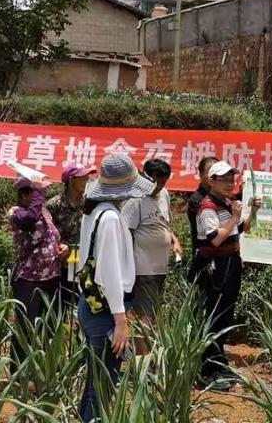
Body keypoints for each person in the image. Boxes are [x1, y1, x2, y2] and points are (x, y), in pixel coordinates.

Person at [76, 153, 156, 423]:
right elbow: (108, 271)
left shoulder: (95, 211)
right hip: (107, 312)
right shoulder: (109, 216)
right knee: (102, 385)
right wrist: (120, 320)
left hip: (93, 305)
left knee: (96, 382)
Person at [194, 161, 261, 390]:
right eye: (223, 180)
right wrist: (234, 216)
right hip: (215, 266)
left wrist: (253, 211)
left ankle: (219, 361)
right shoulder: (207, 207)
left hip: (231, 263)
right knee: (213, 316)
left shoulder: (228, 204)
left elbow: (243, 228)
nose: (229, 184)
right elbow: (215, 239)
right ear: (211, 181)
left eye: (231, 180)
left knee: (225, 315)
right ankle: (208, 369)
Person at [122, 158, 182, 355]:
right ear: (145, 177)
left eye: (163, 182)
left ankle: (146, 355)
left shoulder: (164, 195)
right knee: (144, 316)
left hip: (160, 266)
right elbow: (126, 233)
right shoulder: (135, 200)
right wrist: (128, 267)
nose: (158, 187)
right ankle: (143, 361)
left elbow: (165, 223)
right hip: (143, 267)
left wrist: (174, 240)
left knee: (152, 314)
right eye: (155, 182)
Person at [8, 176, 68, 367]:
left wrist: (62, 247)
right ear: (25, 194)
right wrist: (38, 193)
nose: (42, 197)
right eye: (36, 193)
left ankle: (44, 370)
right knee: (26, 326)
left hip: (51, 276)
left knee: (49, 325)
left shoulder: (46, 213)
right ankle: (18, 373)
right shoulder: (17, 213)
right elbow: (29, 221)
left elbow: (52, 237)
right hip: (29, 279)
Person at [46, 163, 96, 309]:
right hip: (62, 264)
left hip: (85, 263)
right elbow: (47, 234)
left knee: (84, 303)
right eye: (82, 178)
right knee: (61, 304)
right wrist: (59, 246)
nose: (86, 181)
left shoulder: (89, 204)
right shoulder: (54, 205)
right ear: (71, 180)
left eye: (87, 178)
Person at [187, 157, 219, 255]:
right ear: (200, 174)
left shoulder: (223, 197)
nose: (214, 175)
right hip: (205, 256)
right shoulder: (196, 200)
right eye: (210, 171)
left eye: (217, 172)